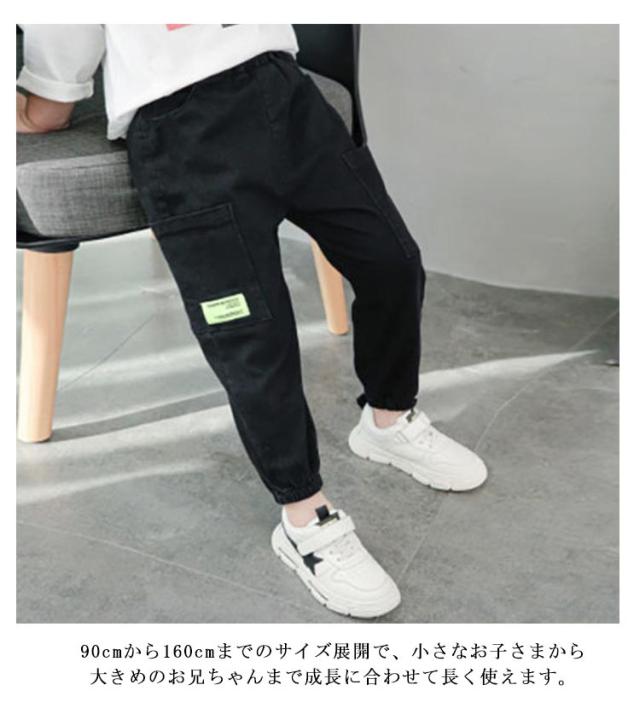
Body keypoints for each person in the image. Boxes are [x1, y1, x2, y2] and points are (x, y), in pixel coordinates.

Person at [17, 24, 487, 619]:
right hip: (182, 134)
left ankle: (388, 420)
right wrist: (36, 108)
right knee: (254, 340)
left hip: (285, 91)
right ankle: (305, 518)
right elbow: (59, 71)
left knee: (393, 262)